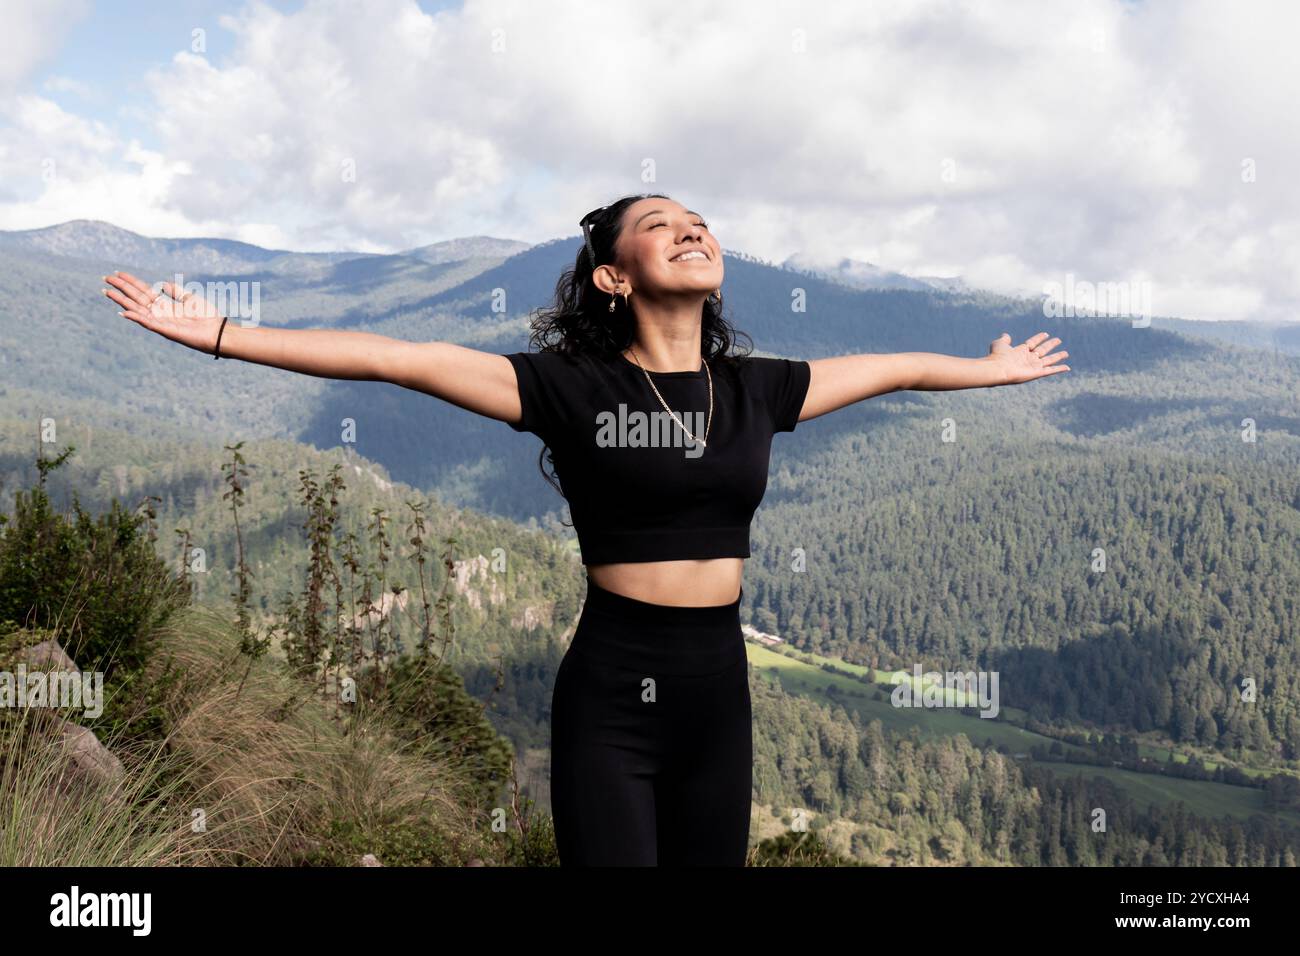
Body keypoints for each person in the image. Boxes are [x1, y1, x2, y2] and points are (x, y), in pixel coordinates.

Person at [102, 192, 1069, 866]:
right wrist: (221, 333)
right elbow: (394, 357)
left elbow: (893, 367)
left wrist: (990, 368)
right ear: (614, 277)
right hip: (613, 686)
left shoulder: (758, 388)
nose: (691, 231)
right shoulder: (568, 388)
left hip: (718, 689)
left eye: (698, 223)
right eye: (661, 227)